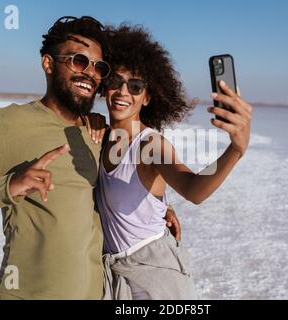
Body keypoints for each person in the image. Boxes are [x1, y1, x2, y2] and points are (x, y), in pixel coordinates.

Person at [0, 16, 179, 300]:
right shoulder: (7, 125)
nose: (89, 72)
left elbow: (118, 181)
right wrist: (9, 187)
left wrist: (162, 206)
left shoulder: (97, 132)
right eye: (78, 61)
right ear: (48, 64)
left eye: (98, 67)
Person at [97, 25, 253, 300]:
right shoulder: (99, 137)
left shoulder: (150, 145)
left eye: (135, 86)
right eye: (114, 81)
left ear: (147, 97)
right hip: (115, 278)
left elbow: (193, 189)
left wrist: (236, 150)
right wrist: (164, 205)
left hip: (155, 277)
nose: (123, 91)